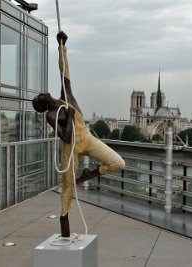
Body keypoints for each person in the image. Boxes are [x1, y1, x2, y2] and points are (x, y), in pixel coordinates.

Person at [32, 31, 125, 237]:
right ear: (42, 105)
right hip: (71, 147)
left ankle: (88, 176)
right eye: (40, 98)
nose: (43, 93)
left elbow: (64, 72)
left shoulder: (66, 96)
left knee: (118, 163)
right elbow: (65, 137)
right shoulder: (51, 114)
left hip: (88, 139)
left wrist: (62, 47)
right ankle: (64, 220)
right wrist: (71, 115)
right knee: (67, 188)